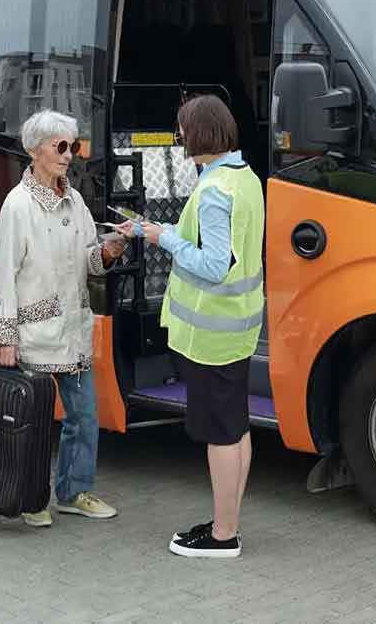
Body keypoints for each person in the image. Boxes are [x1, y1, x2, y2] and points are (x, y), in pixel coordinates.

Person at [130, 95, 265, 559]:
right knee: (237, 426)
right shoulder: (243, 178)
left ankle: (223, 535)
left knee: (220, 435)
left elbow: (213, 265)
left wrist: (161, 236)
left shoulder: (213, 190)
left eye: (182, 128)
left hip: (212, 334)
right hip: (239, 324)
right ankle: (228, 521)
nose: (180, 137)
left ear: (200, 133)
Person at [0, 110, 126, 528]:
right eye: (60, 146)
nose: (69, 155)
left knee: (84, 416)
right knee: (30, 424)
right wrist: (4, 336)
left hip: (72, 329)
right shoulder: (18, 205)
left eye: (74, 146)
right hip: (34, 332)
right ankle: (30, 498)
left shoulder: (75, 198)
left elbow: (89, 260)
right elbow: (4, 274)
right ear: (35, 150)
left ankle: (73, 491)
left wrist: (107, 252)